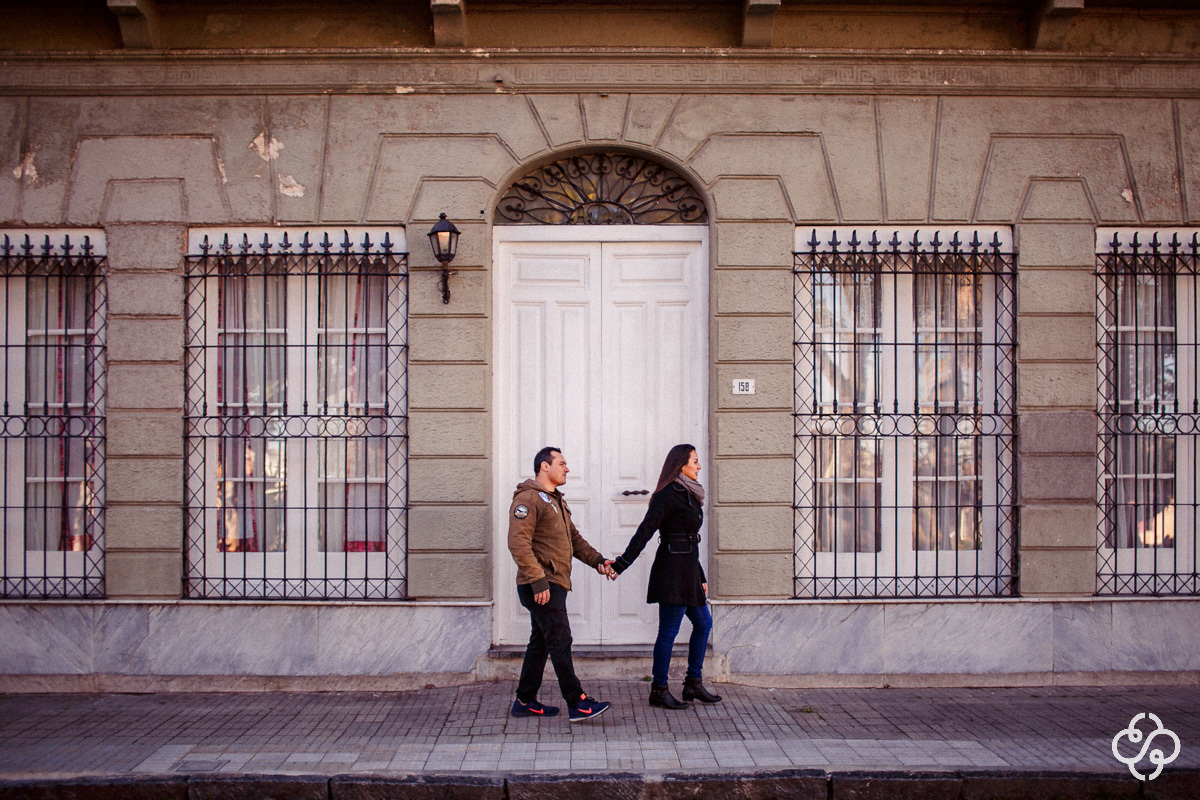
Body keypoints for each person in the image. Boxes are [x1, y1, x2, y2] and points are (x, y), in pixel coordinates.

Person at [508, 446, 617, 722]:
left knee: (541, 642)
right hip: (542, 585)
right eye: (562, 463)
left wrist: (600, 562)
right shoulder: (528, 499)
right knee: (560, 639)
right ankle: (577, 702)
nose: (567, 468)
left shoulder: (555, 501)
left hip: (552, 582)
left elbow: (575, 541)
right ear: (545, 466)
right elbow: (518, 543)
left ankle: (525, 700)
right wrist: (537, 580)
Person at [613, 444, 722, 709]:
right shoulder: (668, 494)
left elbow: (691, 540)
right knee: (669, 632)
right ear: (681, 464)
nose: (698, 466)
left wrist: (700, 575)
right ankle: (659, 689)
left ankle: (693, 683)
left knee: (703, 624)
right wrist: (621, 564)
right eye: (695, 461)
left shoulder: (690, 493)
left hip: (688, 570)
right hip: (672, 571)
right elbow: (645, 530)